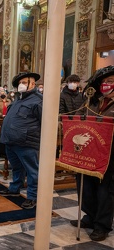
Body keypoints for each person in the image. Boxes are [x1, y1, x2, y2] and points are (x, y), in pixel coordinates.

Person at [69, 65, 114, 241]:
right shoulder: (93, 101)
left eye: (110, 81)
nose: (106, 85)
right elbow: (78, 117)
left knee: (105, 191)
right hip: (88, 153)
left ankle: (102, 225)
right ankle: (89, 216)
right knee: (85, 187)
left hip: (109, 156)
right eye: (104, 82)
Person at [0, 72, 43, 210]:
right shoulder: (19, 98)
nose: (21, 85)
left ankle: (33, 197)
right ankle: (14, 188)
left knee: (32, 171)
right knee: (17, 168)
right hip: (11, 141)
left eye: (24, 82)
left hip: (27, 142)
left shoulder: (39, 100)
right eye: (20, 83)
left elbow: (45, 123)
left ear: (33, 83)